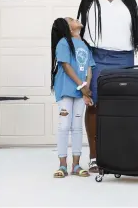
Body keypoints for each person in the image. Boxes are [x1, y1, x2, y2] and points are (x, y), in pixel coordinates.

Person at [77, 0, 138, 173]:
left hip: (124, 60)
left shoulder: (130, 1)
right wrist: (83, 77)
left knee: (122, 108)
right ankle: (94, 156)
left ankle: (119, 153)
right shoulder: (90, 3)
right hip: (96, 59)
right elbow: (82, 42)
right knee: (94, 106)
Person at [50, 17, 95, 178]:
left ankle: (76, 165)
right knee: (64, 126)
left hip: (80, 92)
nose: (75, 19)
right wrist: (82, 86)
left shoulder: (84, 45)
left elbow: (89, 67)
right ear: (69, 28)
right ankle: (62, 165)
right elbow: (66, 66)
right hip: (66, 90)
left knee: (77, 127)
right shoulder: (63, 43)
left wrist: (87, 89)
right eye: (71, 20)